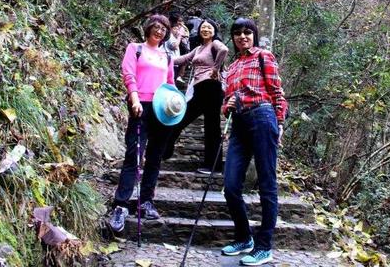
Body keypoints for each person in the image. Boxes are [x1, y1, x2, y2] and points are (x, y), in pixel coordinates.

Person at [220, 18, 288, 266]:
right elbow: (226, 103)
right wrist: (226, 107)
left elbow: (277, 92)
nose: (242, 36)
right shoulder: (232, 66)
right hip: (239, 124)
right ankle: (244, 237)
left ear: (254, 35)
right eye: (237, 33)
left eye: (247, 32)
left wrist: (279, 123)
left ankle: (264, 246)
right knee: (230, 185)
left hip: (262, 116)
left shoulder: (263, 56)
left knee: (267, 183)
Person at [109, 14, 175, 233]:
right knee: (134, 155)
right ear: (148, 28)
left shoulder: (167, 56)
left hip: (162, 109)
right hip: (140, 105)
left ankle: (146, 201)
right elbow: (129, 74)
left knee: (155, 157)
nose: (159, 31)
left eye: (163, 29)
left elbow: (170, 83)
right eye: (156, 27)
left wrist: (175, 106)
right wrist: (134, 98)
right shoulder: (135, 48)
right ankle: (120, 204)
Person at [163, 18, 229, 174]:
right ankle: (166, 150)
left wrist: (215, 68)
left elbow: (224, 50)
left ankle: (213, 166)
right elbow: (182, 59)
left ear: (214, 31)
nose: (205, 30)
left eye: (209, 27)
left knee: (211, 127)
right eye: (203, 27)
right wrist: (161, 58)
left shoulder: (215, 44)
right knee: (181, 118)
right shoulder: (198, 49)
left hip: (212, 87)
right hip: (200, 88)